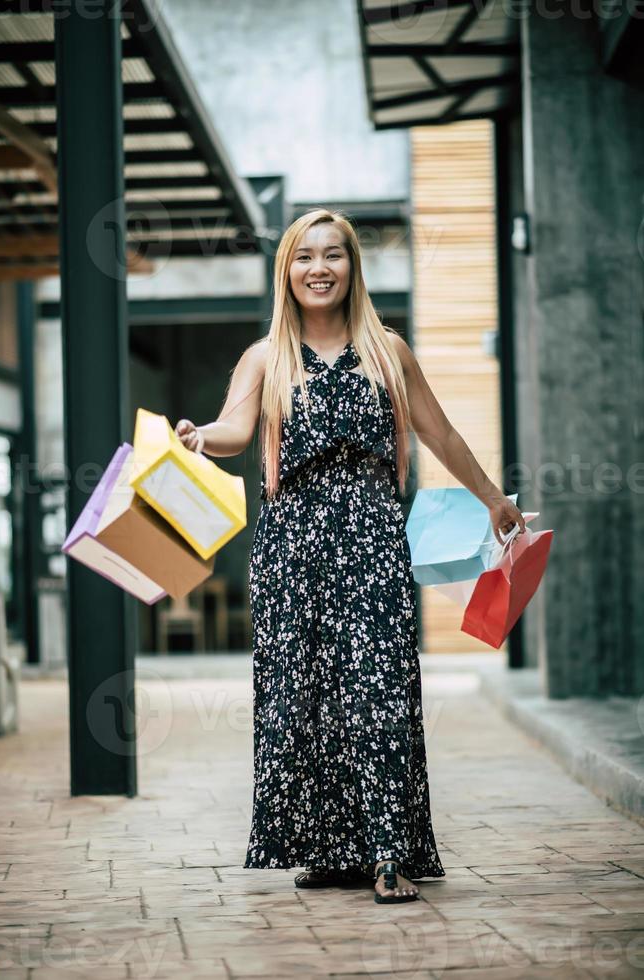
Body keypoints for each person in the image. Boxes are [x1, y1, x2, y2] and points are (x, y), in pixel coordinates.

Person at [175, 208, 525, 905]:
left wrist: (493, 498)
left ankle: (390, 851)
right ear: (288, 271)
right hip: (290, 548)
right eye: (305, 257)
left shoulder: (386, 351)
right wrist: (196, 436)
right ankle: (330, 849)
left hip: (369, 539)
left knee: (380, 691)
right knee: (305, 698)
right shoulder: (264, 357)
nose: (319, 268)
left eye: (333, 255)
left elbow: (441, 434)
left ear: (352, 267)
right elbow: (237, 430)